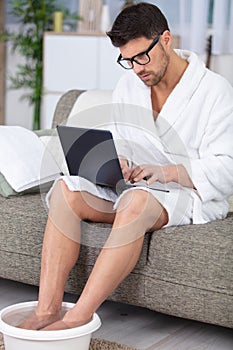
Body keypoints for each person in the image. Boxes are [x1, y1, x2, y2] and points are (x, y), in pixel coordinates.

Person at [19, 2, 233, 330]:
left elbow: (227, 169)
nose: (136, 69)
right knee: (66, 190)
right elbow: (122, 140)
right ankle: (47, 309)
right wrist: (118, 160)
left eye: (141, 57)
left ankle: (77, 317)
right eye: (127, 60)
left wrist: (168, 171)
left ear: (165, 39)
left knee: (135, 201)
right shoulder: (130, 85)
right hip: (135, 185)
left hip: (184, 194)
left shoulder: (215, 92)